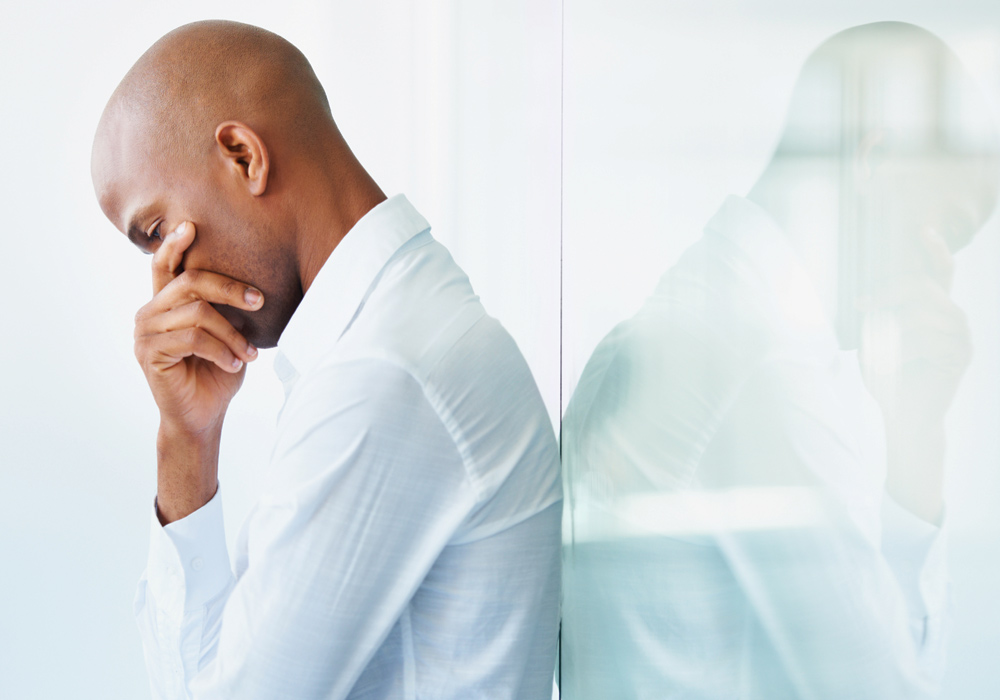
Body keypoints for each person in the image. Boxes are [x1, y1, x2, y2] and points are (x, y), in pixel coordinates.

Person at [90, 20, 561, 700]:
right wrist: (188, 437)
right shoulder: (387, 339)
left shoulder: (380, 374)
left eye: (158, 231)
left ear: (244, 157)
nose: (168, 281)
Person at [560, 22, 999, 699]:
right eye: (947, 228)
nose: (941, 272)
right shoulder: (764, 368)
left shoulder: (689, 321)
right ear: (874, 161)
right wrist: (918, 445)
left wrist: (914, 437)